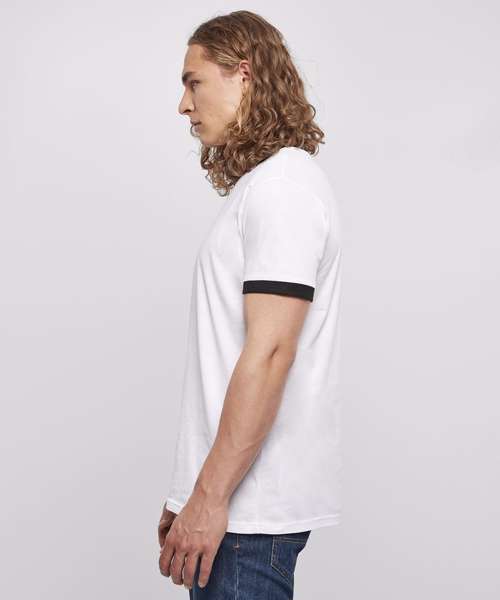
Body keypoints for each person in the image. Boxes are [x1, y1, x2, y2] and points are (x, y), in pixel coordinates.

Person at [158, 10, 343, 599]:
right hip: (234, 512)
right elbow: (236, 350)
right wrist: (189, 492)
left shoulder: (283, 187)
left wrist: (209, 497)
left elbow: (270, 353)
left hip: (246, 518)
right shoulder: (264, 186)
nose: (184, 105)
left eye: (194, 83)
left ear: (244, 74)